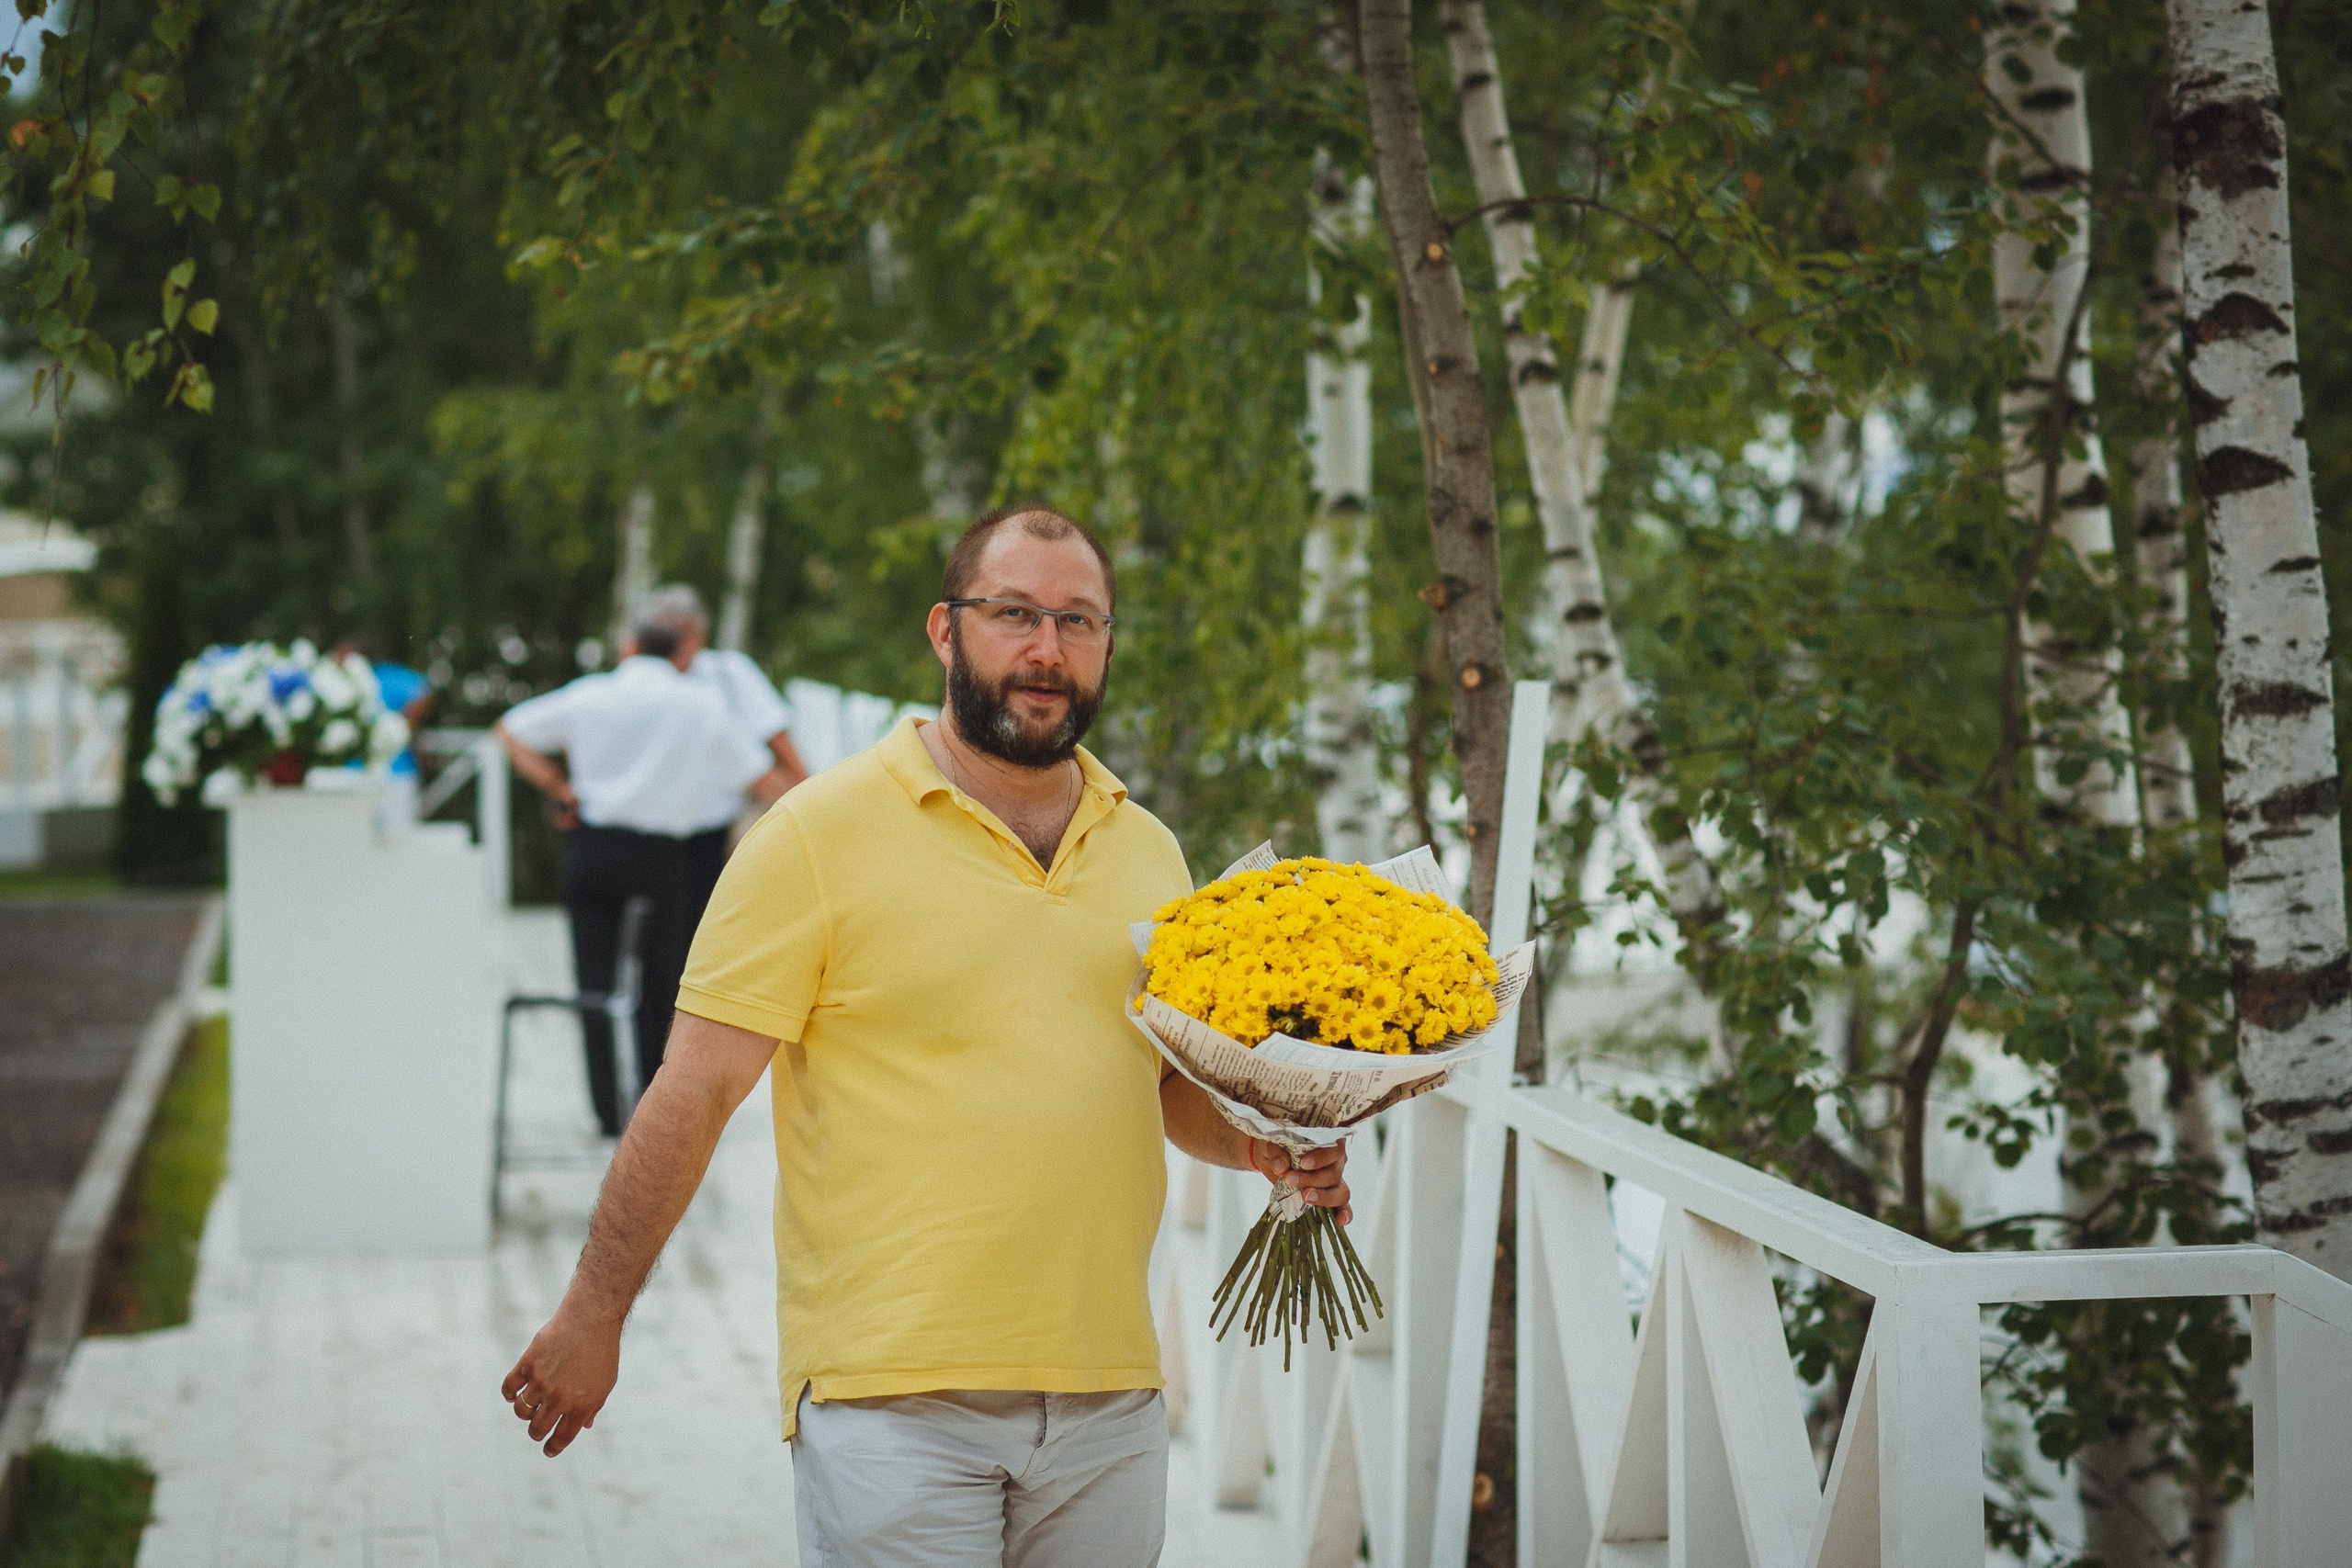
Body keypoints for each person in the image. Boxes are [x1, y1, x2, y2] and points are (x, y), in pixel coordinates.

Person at [500, 506, 1352, 1566]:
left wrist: (1263, 1144)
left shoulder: (1150, 852)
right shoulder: (813, 834)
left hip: (1110, 1399)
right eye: (1014, 615)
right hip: (890, 1402)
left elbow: (1164, 1089)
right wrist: (595, 1310)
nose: (1046, 650)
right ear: (946, 631)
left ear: (1107, 648)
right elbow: (695, 1091)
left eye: (1078, 622)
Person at [494, 601, 792, 1136]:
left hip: (591, 849)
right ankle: (655, 1113)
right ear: (679, 652)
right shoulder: (698, 703)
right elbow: (759, 777)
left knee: (593, 982)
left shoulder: (590, 695)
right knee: (664, 987)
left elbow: (511, 730)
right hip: (663, 859)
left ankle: (606, 1113)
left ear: (630, 647)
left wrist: (560, 788)